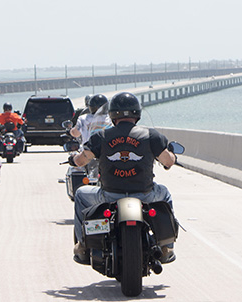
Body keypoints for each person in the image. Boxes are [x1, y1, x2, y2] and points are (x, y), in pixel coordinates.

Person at [67, 92, 178, 264]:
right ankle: (166, 246)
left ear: (112, 114)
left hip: (109, 196)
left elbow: (81, 160)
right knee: (165, 193)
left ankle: (82, 245)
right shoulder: (151, 136)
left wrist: (73, 159)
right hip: (145, 195)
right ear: (137, 113)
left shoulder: (101, 136)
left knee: (81, 194)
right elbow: (168, 162)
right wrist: (172, 157)